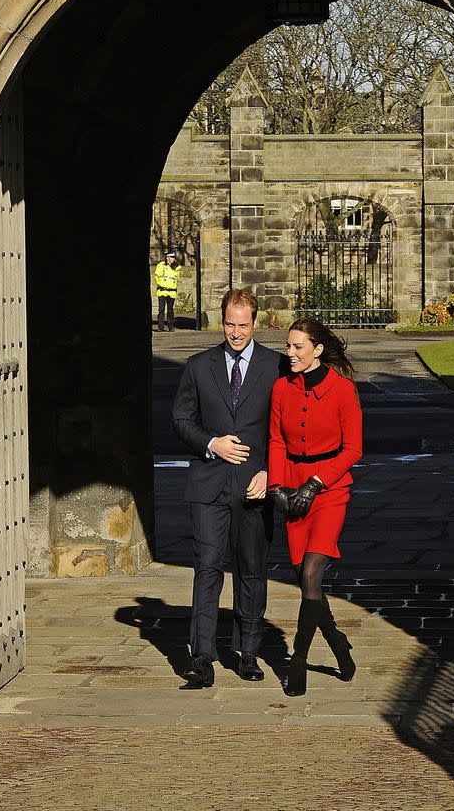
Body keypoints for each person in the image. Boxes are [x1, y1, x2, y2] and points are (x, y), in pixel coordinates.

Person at [172, 288, 284, 687]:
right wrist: (211, 443)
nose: (236, 333)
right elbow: (182, 420)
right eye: (229, 324)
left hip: (254, 486)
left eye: (243, 325)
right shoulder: (199, 366)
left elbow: (285, 430)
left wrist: (270, 472)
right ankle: (202, 656)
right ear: (221, 321)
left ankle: (248, 653)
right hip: (208, 484)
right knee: (207, 569)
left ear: (256, 323)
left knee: (252, 571)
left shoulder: (277, 366)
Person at [268, 318, 363, 697]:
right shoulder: (280, 388)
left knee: (311, 573)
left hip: (329, 490)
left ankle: (297, 660)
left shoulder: (343, 391)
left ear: (317, 350)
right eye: (288, 347)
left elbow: (354, 449)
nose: (289, 354)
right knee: (304, 580)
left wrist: (316, 483)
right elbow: (276, 440)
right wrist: (277, 486)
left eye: (297, 347)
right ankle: (338, 643)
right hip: (292, 487)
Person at [155, 250, 180, 331]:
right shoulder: (161, 265)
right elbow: (157, 276)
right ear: (167, 258)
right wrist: (160, 284)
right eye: (172, 257)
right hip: (162, 291)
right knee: (161, 309)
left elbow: (176, 278)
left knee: (170, 310)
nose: (173, 259)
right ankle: (160, 326)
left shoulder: (176, 267)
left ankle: (170, 326)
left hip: (172, 291)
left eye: (174, 257)